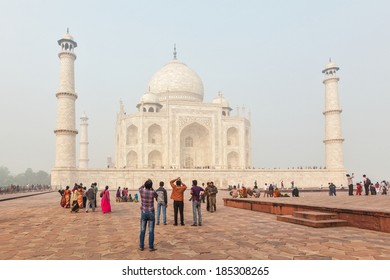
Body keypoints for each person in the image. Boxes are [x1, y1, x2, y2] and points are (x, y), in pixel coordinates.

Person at [138, 179, 158, 251]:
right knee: (151, 230)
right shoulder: (152, 192)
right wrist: (151, 188)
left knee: (142, 230)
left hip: (143, 212)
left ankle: (141, 246)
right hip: (151, 212)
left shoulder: (142, 191)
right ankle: (151, 246)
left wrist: (144, 184)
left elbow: (139, 188)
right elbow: (156, 196)